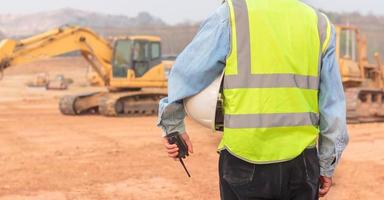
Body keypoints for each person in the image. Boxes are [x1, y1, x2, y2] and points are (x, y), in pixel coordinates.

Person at [157, 0, 349, 199]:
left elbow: (186, 74)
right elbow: (332, 103)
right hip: (302, 163)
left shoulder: (230, 15)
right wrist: (326, 165)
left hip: (245, 158)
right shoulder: (319, 23)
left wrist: (172, 126)